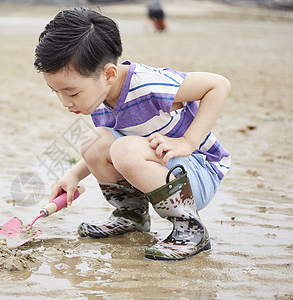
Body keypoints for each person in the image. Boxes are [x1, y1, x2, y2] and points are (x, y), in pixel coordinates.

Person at [34, 8, 231, 261]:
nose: (65, 102)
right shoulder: (101, 96)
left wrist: (187, 142)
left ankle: (190, 228)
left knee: (123, 149)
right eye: (56, 92)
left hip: (199, 174)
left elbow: (218, 85)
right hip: (162, 166)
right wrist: (73, 175)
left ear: (109, 74)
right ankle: (131, 216)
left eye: (72, 93)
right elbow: (110, 143)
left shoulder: (149, 85)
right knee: (96, 142)